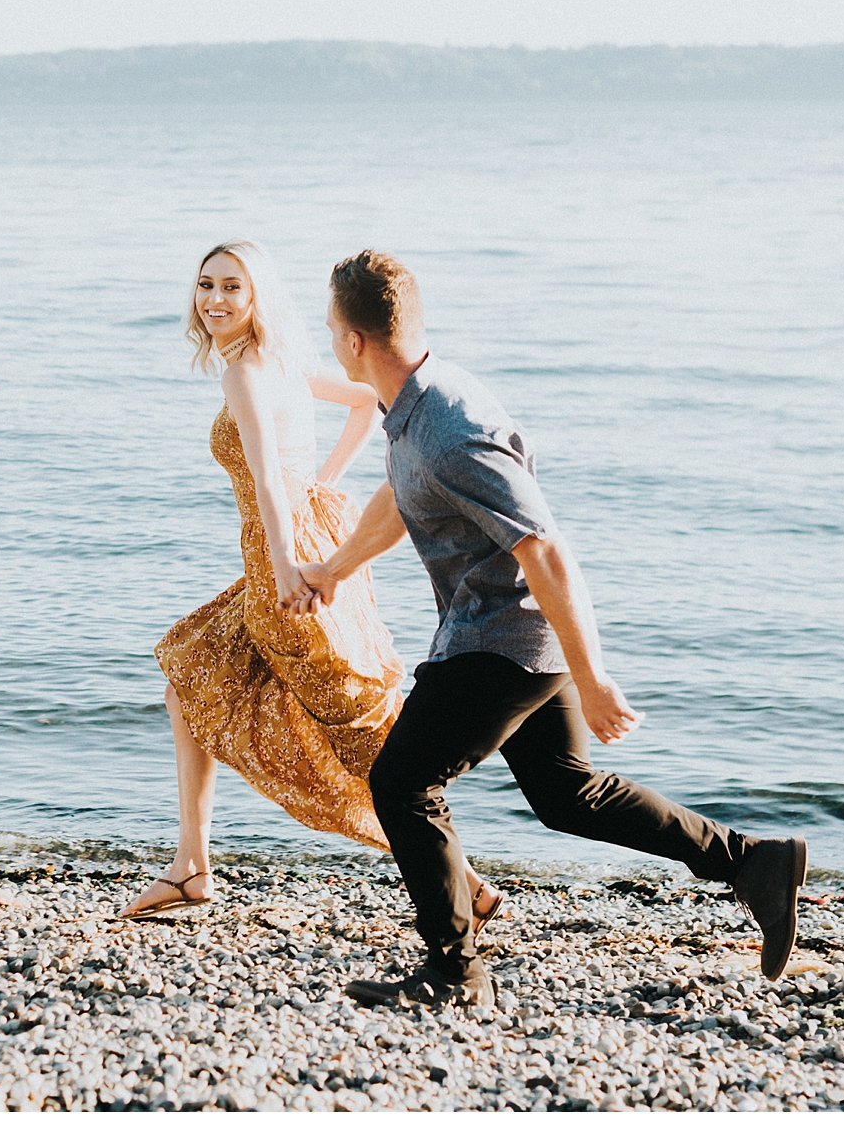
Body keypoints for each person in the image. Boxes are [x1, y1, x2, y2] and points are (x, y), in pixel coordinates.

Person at [295, 249, 808, 1007]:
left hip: (500, 642)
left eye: (331, 329)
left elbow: (544, 547)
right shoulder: (414, 404)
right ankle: (752, 862)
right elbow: (399, 496)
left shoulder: (446, 428)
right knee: (568, 796)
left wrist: (593, 676)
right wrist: (335, 568)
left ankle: (454, 970)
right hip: (512, 634)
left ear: (352, 341)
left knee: (402, 784)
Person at [121, 241, 506, 929]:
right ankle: (191, 867)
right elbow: (366, 402)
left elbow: (269, 480)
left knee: (352, 735)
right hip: (308, 542)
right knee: (188, 673)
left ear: (256, 296)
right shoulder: (282, 363)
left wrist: (283, 561)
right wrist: (323, 485)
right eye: (206, 285)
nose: (214, 299)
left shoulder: (244, 374)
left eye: (231, 287)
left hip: (287, 558)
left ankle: (465, 885)